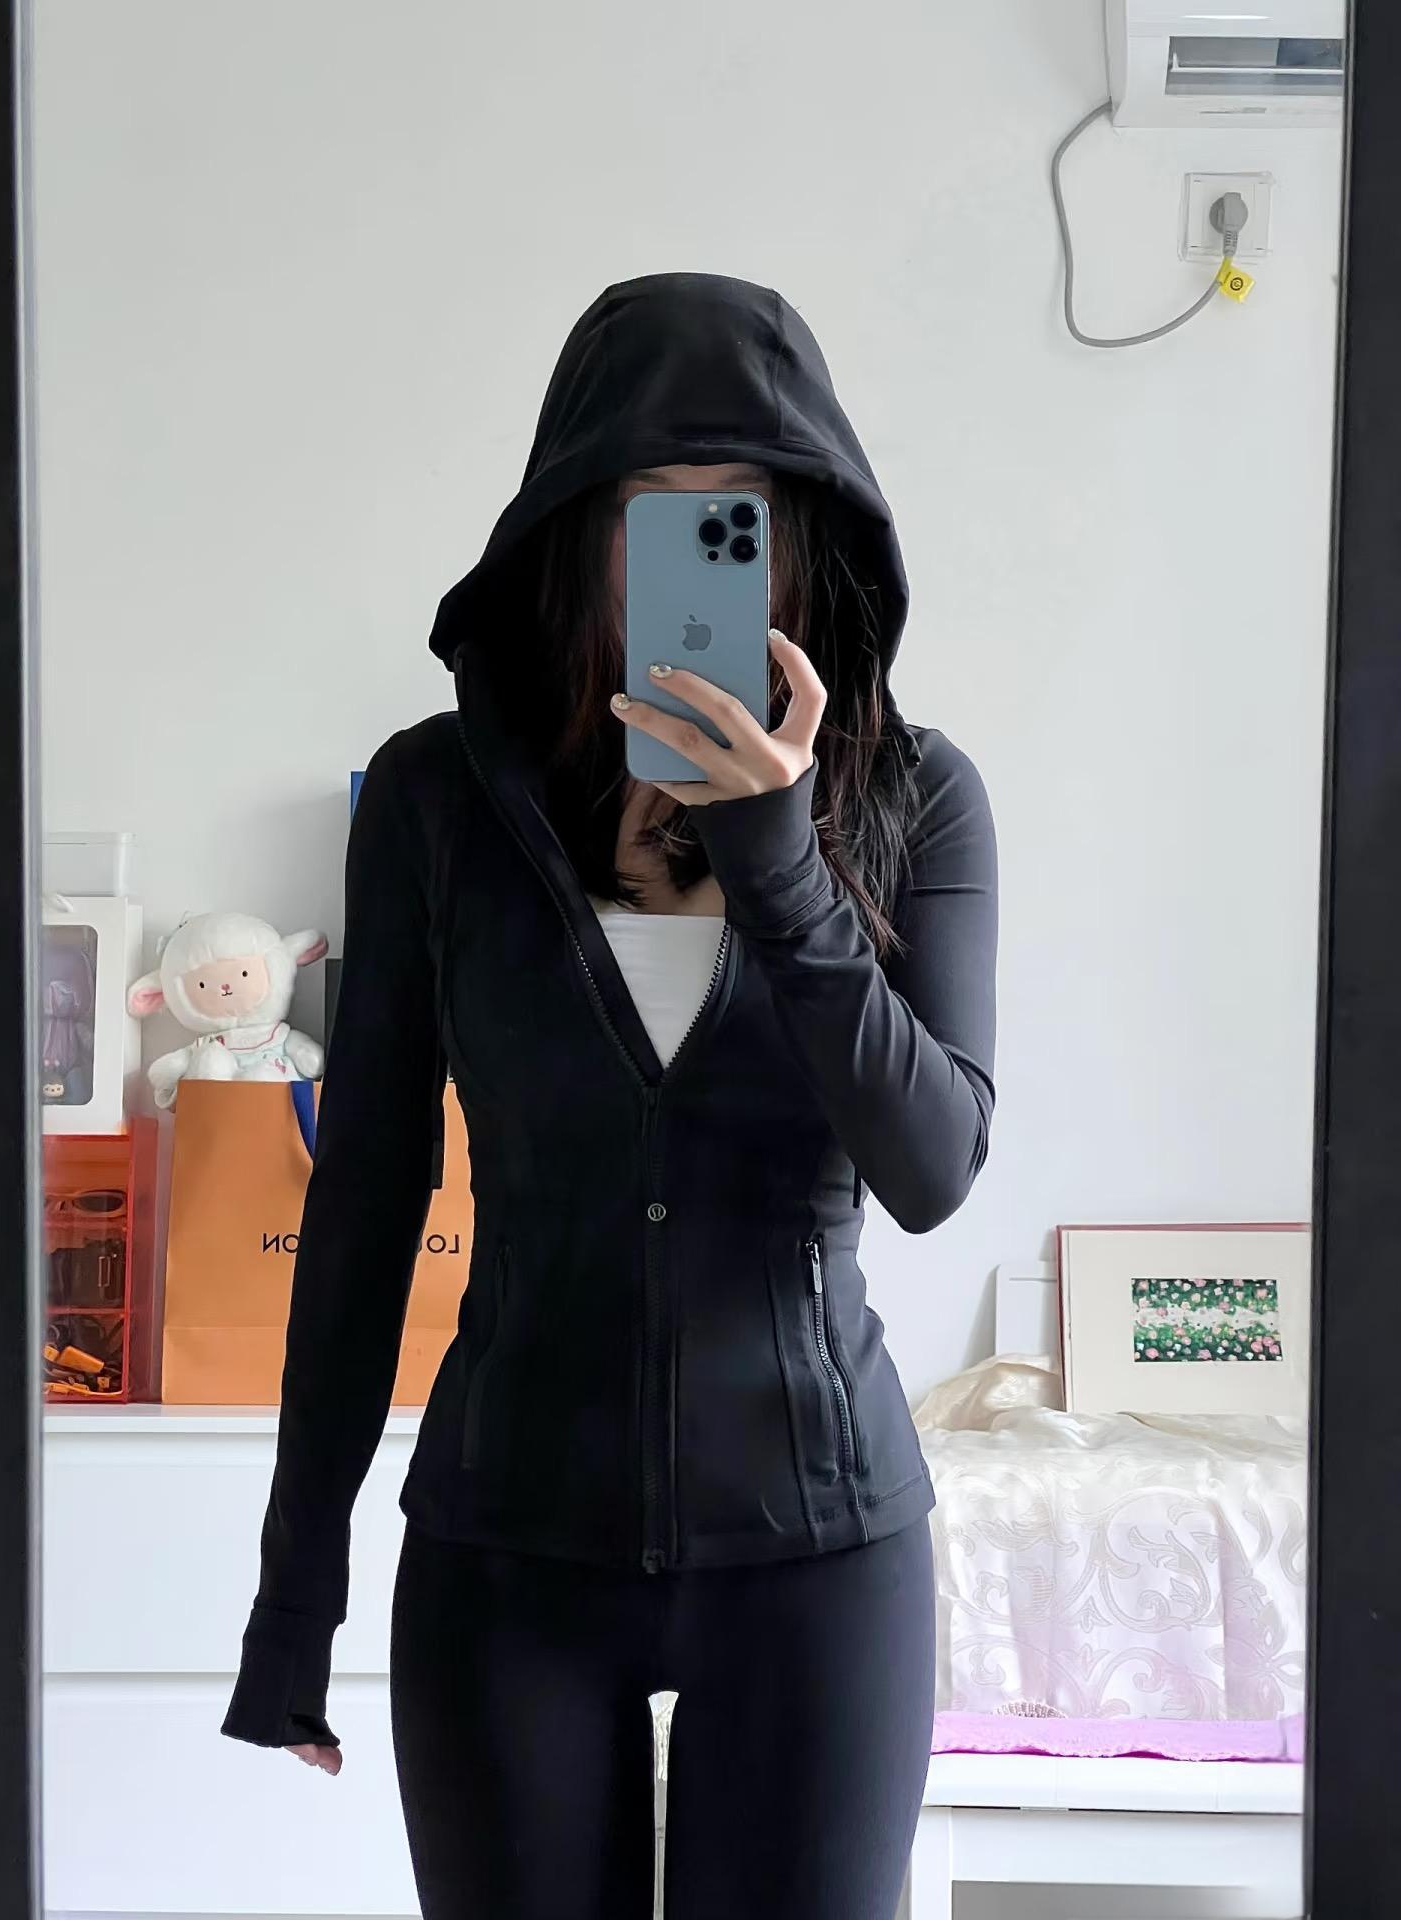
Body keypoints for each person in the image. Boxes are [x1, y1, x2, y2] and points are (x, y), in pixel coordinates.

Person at [221, 271, 999, 1920]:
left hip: (818, 1559)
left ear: (805, 532)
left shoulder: (917, 796)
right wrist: (297, 1591)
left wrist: (777, 855)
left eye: (741, 509)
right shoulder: (437, 799)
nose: (701, 552)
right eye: (656, 504)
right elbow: (365, 1202)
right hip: (509, 1551)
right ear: (579, 527)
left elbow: (933, 1165)